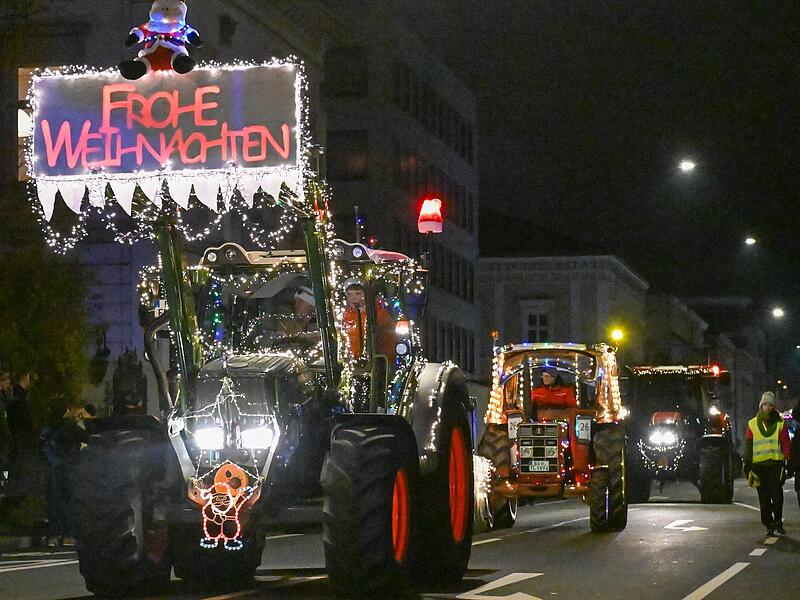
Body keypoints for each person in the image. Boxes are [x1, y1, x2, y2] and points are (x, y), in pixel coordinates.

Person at [743, 391, 790, 536]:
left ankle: (777, 522)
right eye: (765, 405)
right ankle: (768, 524)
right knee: (763, 498)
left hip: (775, 465)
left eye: (770, 405)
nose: (767, 407)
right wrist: (747, 464)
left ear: (773, 407)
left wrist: (786, 461)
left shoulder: (780, 424)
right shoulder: (752, 424)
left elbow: (786, 444)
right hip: (758, 467)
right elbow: (749, 446)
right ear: (761, 406)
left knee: (777, 496)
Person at [341, 279, 396, 362]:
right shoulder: (346, 314)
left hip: (377, 361)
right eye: (349, 294)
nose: (353, 297)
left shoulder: (377, 313)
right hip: (354, 361)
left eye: (358, 293)